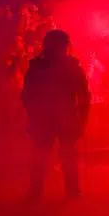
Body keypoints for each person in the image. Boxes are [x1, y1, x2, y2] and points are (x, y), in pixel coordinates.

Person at [21, 29, 91, 200]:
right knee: (51, 154)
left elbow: (83, 95)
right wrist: (81, 119)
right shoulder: (60, 67)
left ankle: (41, 191)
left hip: (56, 116)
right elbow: (27, 94)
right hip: (54, 116)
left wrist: (81, 119)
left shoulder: (40, 67)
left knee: (53, 153)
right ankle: (65, 191)